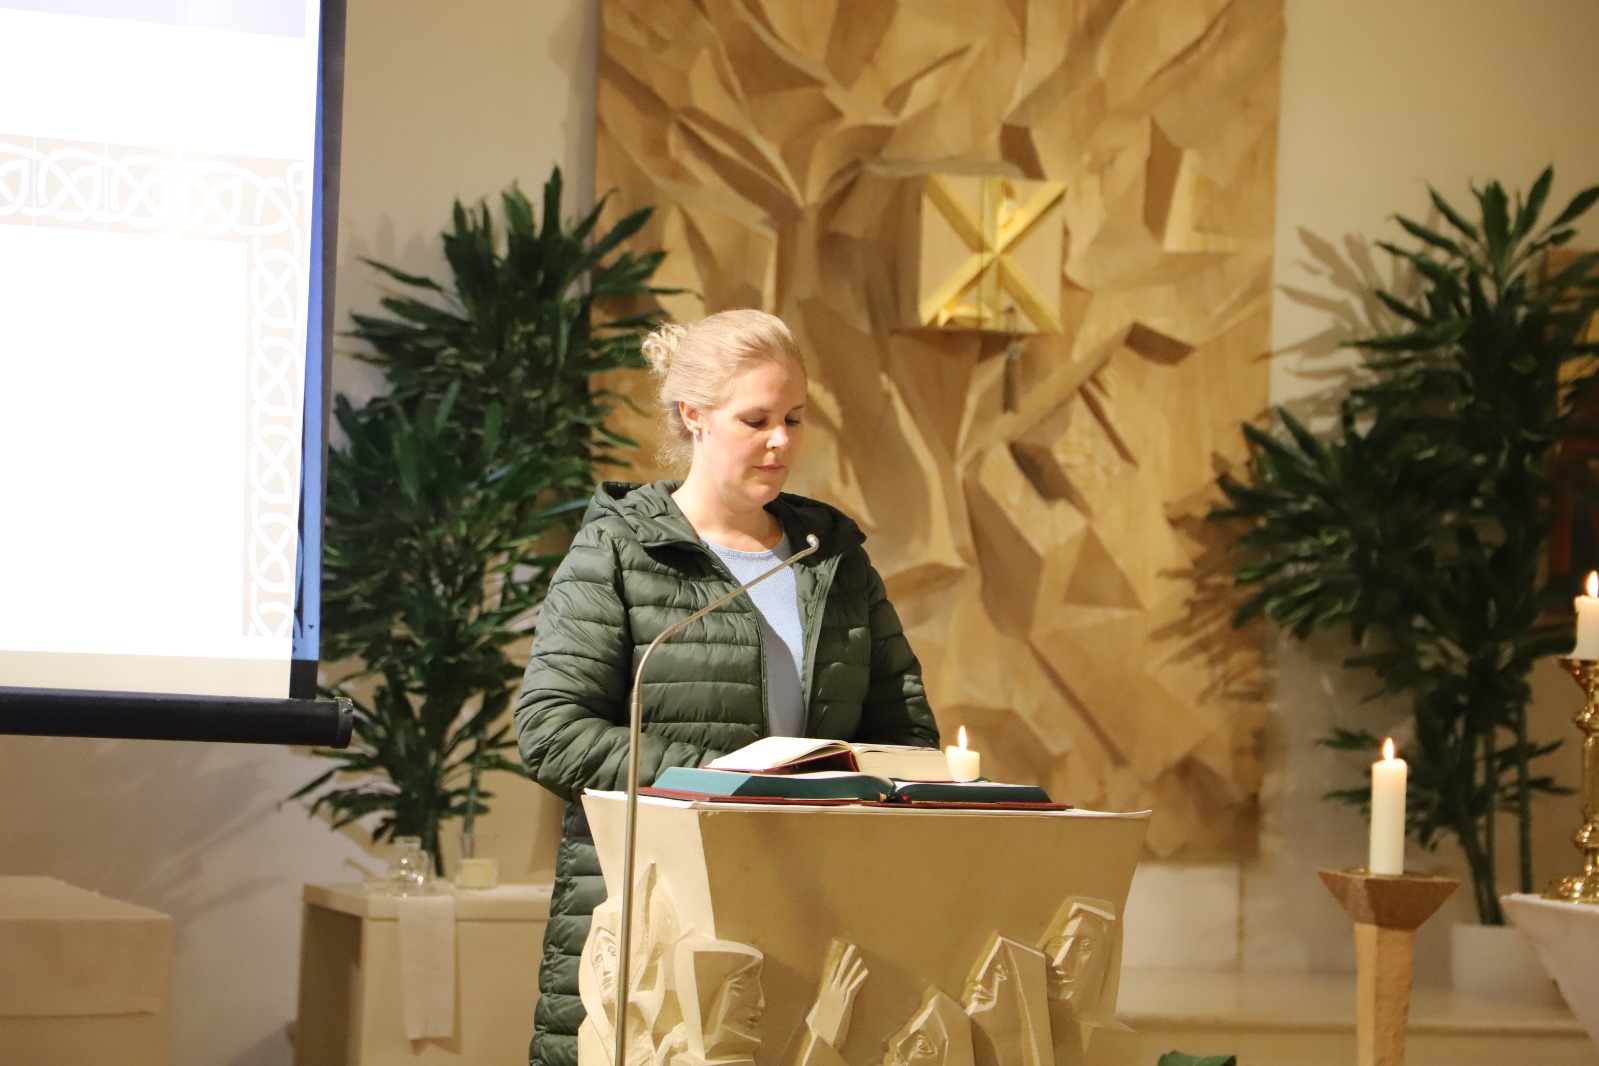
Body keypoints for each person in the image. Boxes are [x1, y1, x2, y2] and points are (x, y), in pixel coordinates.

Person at [515, 308, 940, 1066]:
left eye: (794, 419)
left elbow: (905, 735)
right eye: (757, 420)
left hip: (819, 914)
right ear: (694, 416)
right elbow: (551, 731)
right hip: (658, 920)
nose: (781, 441)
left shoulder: (830, 557)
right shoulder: (619, 548)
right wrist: (721, 780)